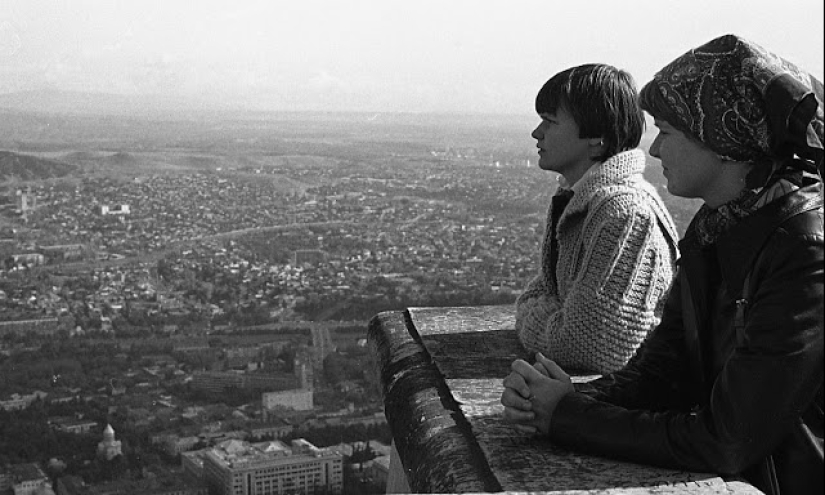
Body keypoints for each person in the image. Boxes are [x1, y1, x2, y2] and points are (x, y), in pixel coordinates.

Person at [501, 34, 824, 495]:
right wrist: (564, 399)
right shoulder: (719, 226)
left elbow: (727, 439)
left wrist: (568, 417)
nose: (653, 151)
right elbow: (662, 372)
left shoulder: (805, 252)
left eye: (668, 132)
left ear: (723, 141)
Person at [515, 63, 679, 375]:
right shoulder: (585, 199)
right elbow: (544, 292)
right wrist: (555, 315)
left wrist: (532, 318)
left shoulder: (625, 214)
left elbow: (585, 348)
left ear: (597, 137)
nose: (537, 133)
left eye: (550, 122)